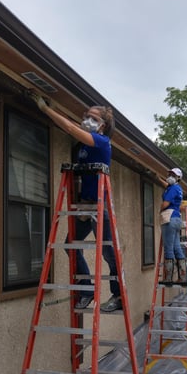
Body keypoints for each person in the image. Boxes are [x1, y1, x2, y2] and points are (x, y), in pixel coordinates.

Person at [31, 93, 121, 312]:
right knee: (71, 245)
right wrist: (79, 205)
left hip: (100, 207)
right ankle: (86, 290)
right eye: (86, 116)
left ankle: (118, 296)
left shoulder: (101, 142)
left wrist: (45, 109)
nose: (88, 120)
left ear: (102, 126)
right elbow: (74, 127)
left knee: (109, 254)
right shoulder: (84, 144)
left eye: (94, 119)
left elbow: (71, 128)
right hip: (85, 205)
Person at [159, 168, 186, 284]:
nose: (169, 176)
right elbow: (166, 185)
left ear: (178, 178)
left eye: (173, 175)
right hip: (177, 219)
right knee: (177, 248)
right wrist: (157, 177)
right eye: (169, 173)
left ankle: (168, 278)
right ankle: (183, 277)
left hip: (169, 218)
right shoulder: (177, 188)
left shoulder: (173, 189)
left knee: (168, 249)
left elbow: (166, 204)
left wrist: (156, 209)